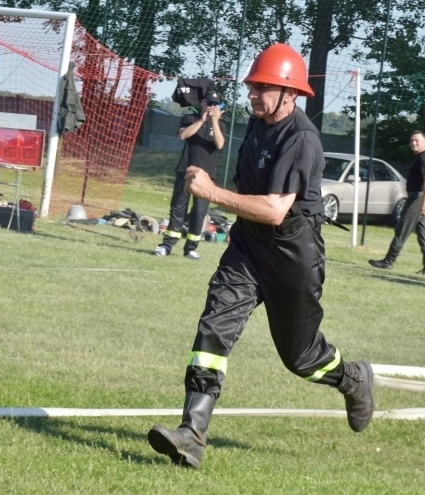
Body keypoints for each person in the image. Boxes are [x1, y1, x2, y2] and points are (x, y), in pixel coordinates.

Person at [147, 43, 374, 469]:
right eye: (252, 86)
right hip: (248, 247)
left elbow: (274, 209)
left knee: (301, 358)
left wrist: (212, 193)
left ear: (290, 94)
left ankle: (354, 379)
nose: (252, 94)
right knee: (214, 327)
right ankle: (191, 435)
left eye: (262, 88)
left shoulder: (302, 138)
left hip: (293, 255)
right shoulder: (258, 124)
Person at [154, 92, 225, 260]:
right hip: (185, 170)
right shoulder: (189, 118)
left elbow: (220, 144)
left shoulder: (220, 125)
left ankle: (191, 248)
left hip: (207, 176)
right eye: (209, 102)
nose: (211, 106)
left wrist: (214, 121)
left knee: (199, 211)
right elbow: (183, 135)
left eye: (215, 103)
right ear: (202, 102)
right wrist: (202, 120)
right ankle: (167, 245)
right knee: (178, 207)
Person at [369, 130, 425, 274]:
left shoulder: (423, 158)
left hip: (419, 198)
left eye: (417, 140)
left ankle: (388, 261)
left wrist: (424, 201)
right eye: (412, 140)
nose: (414, 143)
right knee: (424, 233)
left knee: (403, 228)